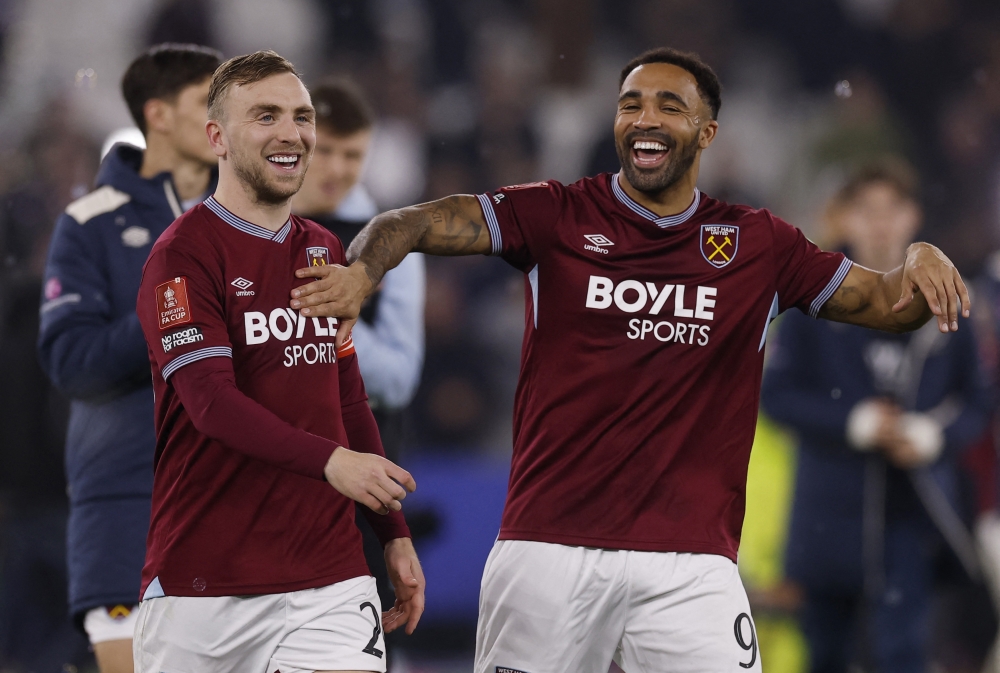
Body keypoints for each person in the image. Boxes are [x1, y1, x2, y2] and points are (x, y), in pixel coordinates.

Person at [289, 47, 973, 673]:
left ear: (707, 133)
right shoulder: (555, 214)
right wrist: (362, 272)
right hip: (548, 550)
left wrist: (918, 256)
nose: (644, 119)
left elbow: (889, 302)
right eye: (631, 104)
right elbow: (409, 221)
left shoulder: (758, 244)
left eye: (669, 106)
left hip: (690, 565)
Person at [133, 50, 424, 672]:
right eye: (265, 116)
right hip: (203, 584)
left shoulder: (323, 250)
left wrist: (393, 533)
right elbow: (211, 406)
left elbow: (347, 396)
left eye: (301, 116)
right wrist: (331, 463)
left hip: (331, 581)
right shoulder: (181, 256)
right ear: (217, 136)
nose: (292, 133)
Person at [761, 161, 990, 673]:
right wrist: (851, 422)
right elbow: (775, 395)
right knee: (825, 656)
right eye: (867, 211)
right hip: (828, 517)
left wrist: (933, 435)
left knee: (902, 657)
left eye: (892, 210)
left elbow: (979, 399)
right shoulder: (811, 298)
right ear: (846, 218)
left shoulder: (950, 295)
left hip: (914, 515)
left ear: (914, 216)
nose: (881, 223)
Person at [37, 43, 223, 673]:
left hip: (238, 499)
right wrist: (165, 318)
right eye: (207, 103)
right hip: (126, 501)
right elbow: (71, 362)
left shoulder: (259, 223)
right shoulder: (89, 222)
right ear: (159, 115)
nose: (224, 119)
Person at [291, 79, 426, 656]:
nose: (339, 168)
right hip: (270, 474)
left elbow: (399, 377)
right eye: (326, 150)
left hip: (362, 489)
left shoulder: (387, 240)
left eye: (353, 155)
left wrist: (325, 318)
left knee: (353, 648)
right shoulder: (243, 229)